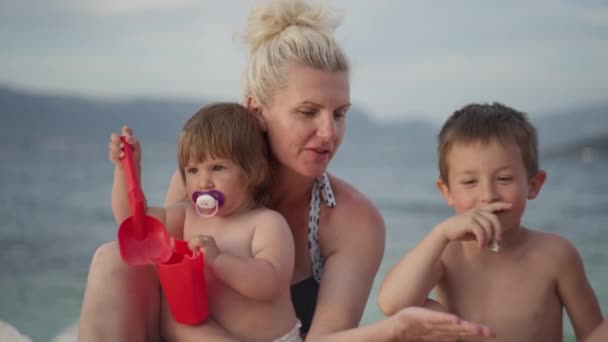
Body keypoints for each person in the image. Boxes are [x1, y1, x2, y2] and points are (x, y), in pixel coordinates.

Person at [79, 0, 495, 340]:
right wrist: (125, 172)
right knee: (113, 259)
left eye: (340, 113)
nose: (329, 133)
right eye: (307, 112)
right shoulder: (200, 188)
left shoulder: (354, 222)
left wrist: (394, 330)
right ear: (256, 111)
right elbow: (167, 297)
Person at [377, 102, 603, 341]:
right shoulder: (446, 255)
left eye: (504, 178)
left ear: (533, 185)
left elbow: (593, 332)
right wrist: (440, 234)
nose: (488, 194)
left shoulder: (556, 255)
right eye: (469, 182)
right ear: (447, 192)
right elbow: (392, 304)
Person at [108, 103, 302, 341]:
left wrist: (219, 260)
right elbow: (134, 223)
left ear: (253, 171)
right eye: (192, 170)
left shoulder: (266, 223)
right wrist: (126, 170)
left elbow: (270, 283)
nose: (204, 182)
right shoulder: (187, 216)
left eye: (217, 168)